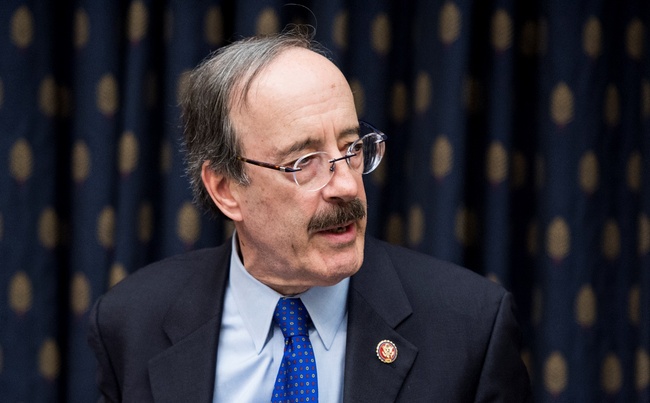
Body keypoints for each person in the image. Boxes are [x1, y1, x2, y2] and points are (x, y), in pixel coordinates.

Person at [88, 27, 532, 402]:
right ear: (225, 190)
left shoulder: (470, 327)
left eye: (352, 148)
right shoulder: (130, 324)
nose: (345, 186)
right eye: (304, 163)